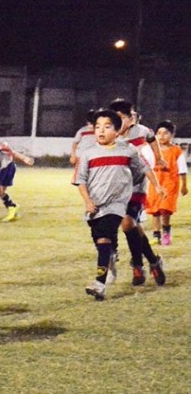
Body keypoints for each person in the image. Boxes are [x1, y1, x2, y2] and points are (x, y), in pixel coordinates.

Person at [74, 109, 163, 300]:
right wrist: (88, 201)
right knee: (103, 240)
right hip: (96, 205)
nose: (101, 130)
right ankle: (152, 261)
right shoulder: (89, 154)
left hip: (122, 202)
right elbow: (80, 180)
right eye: (97, 127)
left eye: (106, 127)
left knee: (114, 232)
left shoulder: (130, 146)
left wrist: (156, 185)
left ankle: (102, 281)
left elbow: (144, 167)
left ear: (118, 128)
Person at [109, 99, 167, 286]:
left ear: (129, 118)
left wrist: (159, 158)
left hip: (138, 184)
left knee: (127, 224)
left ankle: (137, 265)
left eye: (121, 118)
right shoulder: (110, 135)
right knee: (134, 227)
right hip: (118, 186)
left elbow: (152, 138)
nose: (117, 122)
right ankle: (153, 260)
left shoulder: (141, 131)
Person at [0, 119, 35, 222]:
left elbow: (9, 151)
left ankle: (12, 207)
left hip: (6, 166)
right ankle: (13, 209)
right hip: (2, 168)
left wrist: (24, 158)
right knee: (1, 192)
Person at [145, 120, 188, 246]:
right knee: (155, 211)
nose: (162, 136)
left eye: (165, 133)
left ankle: (166, 233)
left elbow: (183, 169)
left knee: (165, 209)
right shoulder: (152, 150)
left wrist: (184, 186)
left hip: (170, 184)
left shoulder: (176, 150)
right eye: (159, 133)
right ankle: (155, 235)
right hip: (155, 183)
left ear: (172, 135)